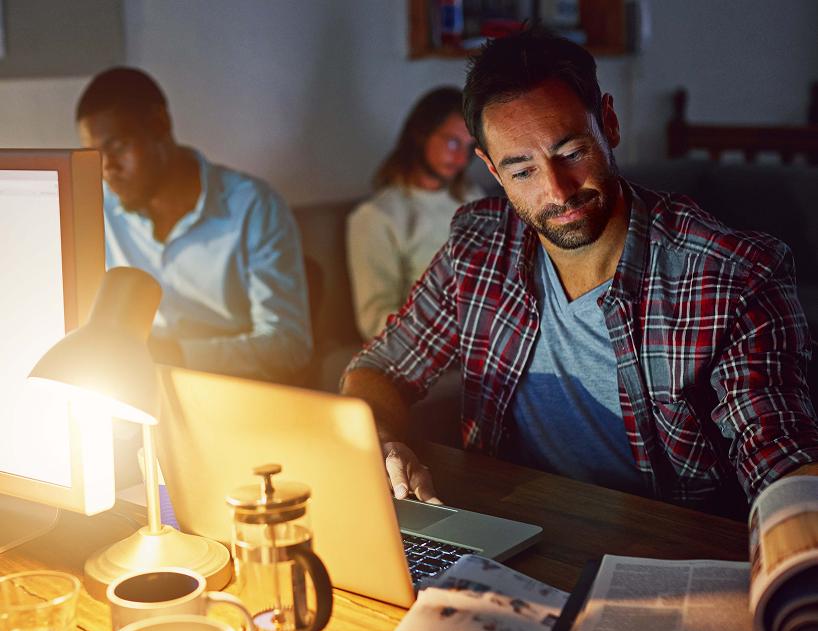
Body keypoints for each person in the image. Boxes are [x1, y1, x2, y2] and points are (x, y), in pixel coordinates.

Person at [341, 27, 818, 515]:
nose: (558, 191)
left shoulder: (734, 275)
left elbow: (779, 452)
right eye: (522, 170)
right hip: (505, 529)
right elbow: (380, 368)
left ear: (608, 123)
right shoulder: (479, 245)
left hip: (664, 547)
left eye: (571, 153)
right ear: (490, 167)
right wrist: (380, 442)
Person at [75, 67, 312, 382]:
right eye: (95, 154)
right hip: (136, 387)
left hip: (235, 395)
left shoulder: (252, 207)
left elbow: (289, 345)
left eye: (118, 146)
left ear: (160, 124)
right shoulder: (96, 210)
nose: (107, 168)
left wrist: (175, 354)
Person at [346, 87, 483, 340]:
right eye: (452, 142)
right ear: (422, 134)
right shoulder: (378, 217)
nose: (462, 159)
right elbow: (375, 320)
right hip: (434, 344)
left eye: (469, 147)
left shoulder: (470, 196)